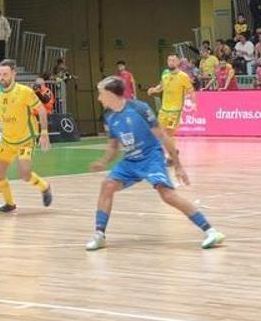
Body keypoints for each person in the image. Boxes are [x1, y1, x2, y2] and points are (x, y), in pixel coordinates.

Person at [85, 76, 225, 251]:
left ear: (111, 94)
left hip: (151, 157)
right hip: (130, 161)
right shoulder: (109, 117)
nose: (99, 98)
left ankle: (211, 232)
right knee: (107, 185)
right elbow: (113, 146)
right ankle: (99, 235)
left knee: (167, 195)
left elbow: (163, 136)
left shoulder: (139, 108)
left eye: (101, 94)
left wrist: (178, 165)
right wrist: (103, 162)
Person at [0, 59, 53, 213]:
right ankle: (9, 203)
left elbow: (41, 110)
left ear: (14, 73)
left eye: (5, 74)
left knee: (24, 174)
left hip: (25, 139)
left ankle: (44, 187)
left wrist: (44, 132)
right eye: (0, 74)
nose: (2, 77)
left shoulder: (24, 92)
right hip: (7, 140)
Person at [147, 55, 194, 135]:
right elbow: (161, 86)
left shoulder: (183, 76)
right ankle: (162, 147)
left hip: (175, 111)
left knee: (169, 132)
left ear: (178, 62)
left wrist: (193, 104)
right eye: (169, 60)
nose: (171, 62)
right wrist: (154, 89)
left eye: (173, 60)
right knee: (158, 132)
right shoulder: (165, 73)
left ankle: (171, 148)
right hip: (164, 109)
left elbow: (190, 90)